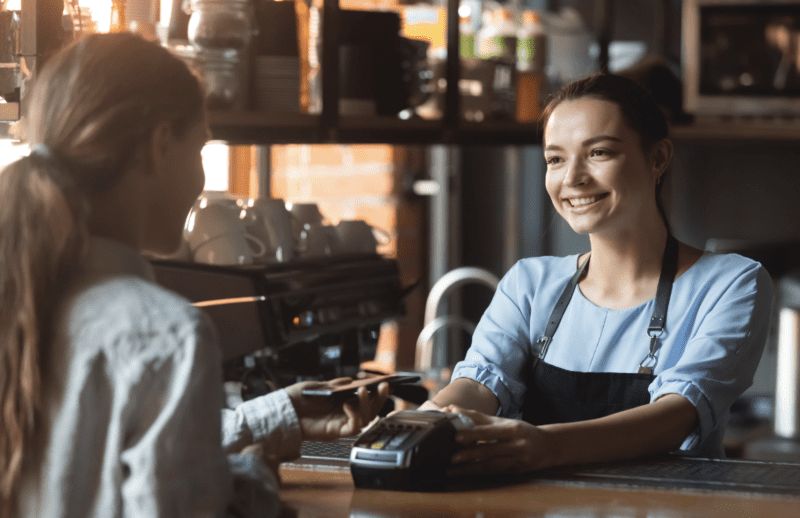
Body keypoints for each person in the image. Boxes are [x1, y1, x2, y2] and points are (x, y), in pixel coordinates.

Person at [0, 33, 388, 517]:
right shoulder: (168, 334)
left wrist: (274, 417)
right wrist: (253, 486)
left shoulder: (21, 294)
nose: (202, 176)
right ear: (159, 145)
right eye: (201, 147)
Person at [421, 74, 774, 475]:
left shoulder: (730, 283)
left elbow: (678, 415)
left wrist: (545, 445)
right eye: (555, 159)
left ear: (657, 159)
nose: (572, 178)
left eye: (599, 153)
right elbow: (480, 385)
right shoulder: (529, 283)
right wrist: (421, 424)